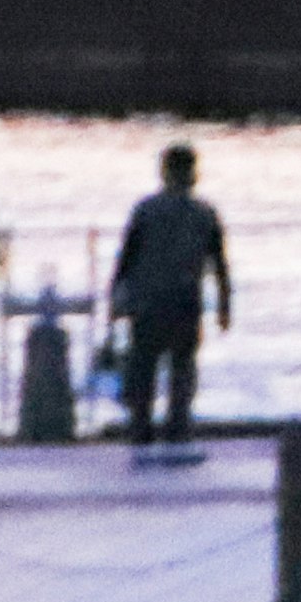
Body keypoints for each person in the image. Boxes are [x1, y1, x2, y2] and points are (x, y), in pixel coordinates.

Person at [111, 142, 232, 454]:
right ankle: (178, 431)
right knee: (182, 371)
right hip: (184, 303)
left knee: (144, 369)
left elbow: (125, 259)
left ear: (163, 172)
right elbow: (219, 264)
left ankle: (141, 432)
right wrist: (224, 305)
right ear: (194, 174)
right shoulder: (205, 213)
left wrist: (116, 298)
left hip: (148, 304)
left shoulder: (146, 210)